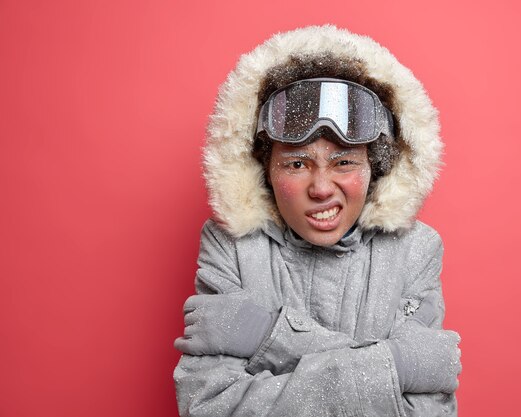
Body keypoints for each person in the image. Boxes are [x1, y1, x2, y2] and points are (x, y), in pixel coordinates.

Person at [173, 25, 462, 417]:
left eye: (344, 162)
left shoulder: (417, 250)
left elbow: (427, 412)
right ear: (265, 171)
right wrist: (401, 366)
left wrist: (266, 335)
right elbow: (207, 405)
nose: (322, 188)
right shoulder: (232, 246)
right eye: (296, 163)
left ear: (375, 168)